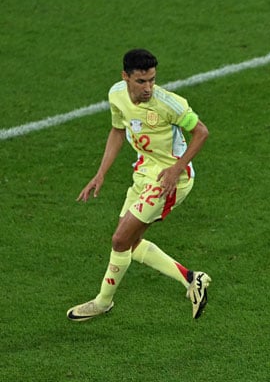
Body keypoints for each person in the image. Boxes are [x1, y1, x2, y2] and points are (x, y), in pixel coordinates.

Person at [67, 49, 211, 321]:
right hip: (144, 172)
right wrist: (101, 174)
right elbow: (118, 130)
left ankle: (102, 302)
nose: (148, 88)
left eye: (152, 80)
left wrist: (176, 168)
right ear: (125, 78)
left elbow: (201, 132)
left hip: (170, 179)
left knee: (120, 239)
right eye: (141, 82)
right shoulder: (116, 95)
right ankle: (192, 279)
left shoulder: (170, 104)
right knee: (130, 243)